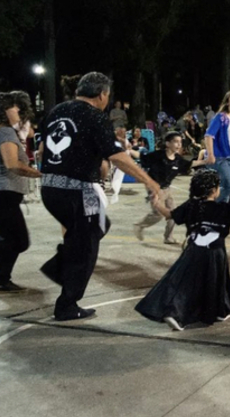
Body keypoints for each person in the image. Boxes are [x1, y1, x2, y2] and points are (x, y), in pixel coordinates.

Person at [38, 72, 161, 321]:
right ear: (103, 94)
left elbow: (41, 149)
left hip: (49, 189)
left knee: (95, 228)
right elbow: (117, 156)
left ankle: (60, 267)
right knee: (87, 244)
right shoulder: (95, 116)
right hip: (78, 191)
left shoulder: (56, 111)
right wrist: (149, 181)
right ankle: (67, 303)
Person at [135, 170, 230, 331]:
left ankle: (211, 310)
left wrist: (156, 202)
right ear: (214, 191)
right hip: (215, 253)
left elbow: (169, 214)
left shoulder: (190, 206)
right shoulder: (222, 208)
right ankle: (178, 314)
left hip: (193, 250)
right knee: (214, 282)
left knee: (184, 284)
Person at [0, 91, 42, 292]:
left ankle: (2, 278)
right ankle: (1, 279)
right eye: (15, 108)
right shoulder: (5, 132)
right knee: (19, 240)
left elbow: (30, 133)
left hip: (7, 194)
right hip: (4, 193)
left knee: (10, 238)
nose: (19, 112)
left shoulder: (8, 131)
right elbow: (11, 164)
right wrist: (39, 174)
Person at [134, 131, 206, 244]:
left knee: (174, 213)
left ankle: (168, 237)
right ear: (168, 143)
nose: (179, 144)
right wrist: (128, 151)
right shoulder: (158, 155)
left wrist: (206, 161)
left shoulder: (178, 159)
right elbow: (142, 157)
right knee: (158, 214)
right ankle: (139, 226)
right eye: (176, 142)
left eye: (180, 142)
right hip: (154, 188)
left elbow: (189, 164)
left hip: (167, 188)